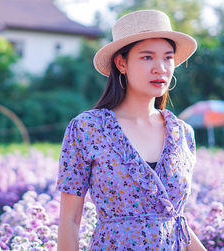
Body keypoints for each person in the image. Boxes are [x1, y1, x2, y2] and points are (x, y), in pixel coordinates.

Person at [56, 9, 207, 251]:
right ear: (121, 62)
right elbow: (70, 221)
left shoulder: (183, 133)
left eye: (168, 58)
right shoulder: (87, 129)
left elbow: (172, 219)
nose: (160, 68)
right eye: (147, 57)